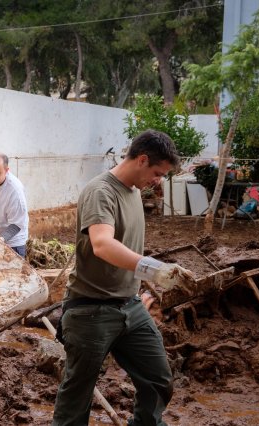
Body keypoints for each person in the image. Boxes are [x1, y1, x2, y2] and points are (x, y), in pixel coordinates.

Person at [52, 130, 194, 426]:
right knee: (78, 394)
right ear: (142, 160)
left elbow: (127, 249)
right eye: (157, 173)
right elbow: (102, 245)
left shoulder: (133, 191)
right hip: (90, 311)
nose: (158, 181)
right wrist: (154, 268)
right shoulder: (101, 191)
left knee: (158, 380)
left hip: (129, 306)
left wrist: (153, 278)